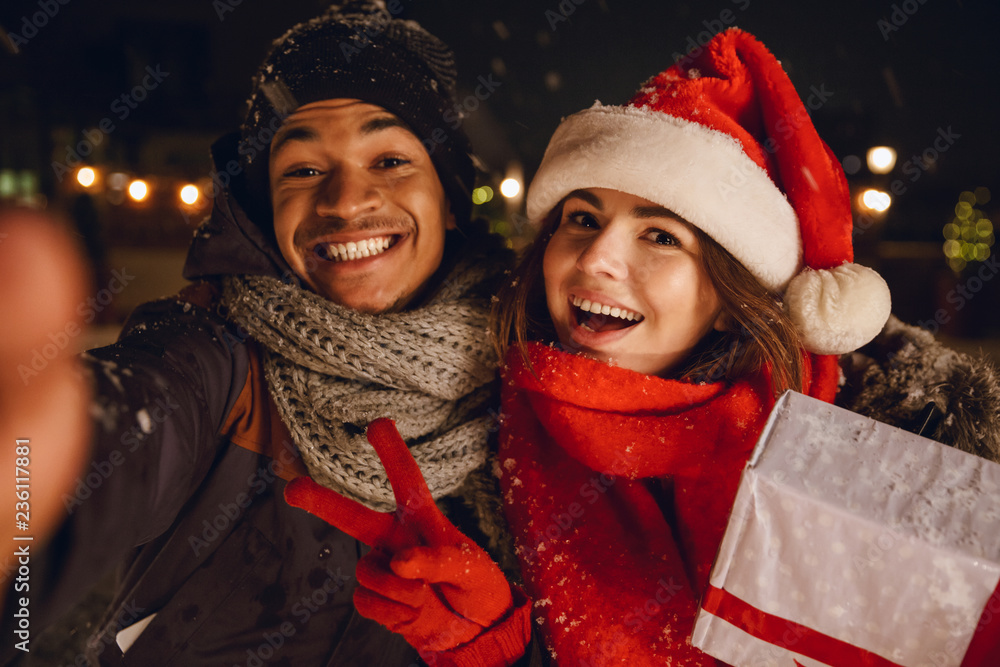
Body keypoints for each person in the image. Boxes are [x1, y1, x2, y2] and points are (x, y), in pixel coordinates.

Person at [0, 2, 532, 664]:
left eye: (390, 159)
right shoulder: (212, 358)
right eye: (303, 170)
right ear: (265, 207)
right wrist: (30, 475)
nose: (344, 200)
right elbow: (112, 442)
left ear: (450, 197)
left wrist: (496, 646)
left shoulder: (527, 394)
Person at [488, 28, 999, 665]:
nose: (597, 258)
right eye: (583, 219)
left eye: (662, 237)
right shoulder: (479, 433)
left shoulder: (891, 448)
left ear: (734, 305)